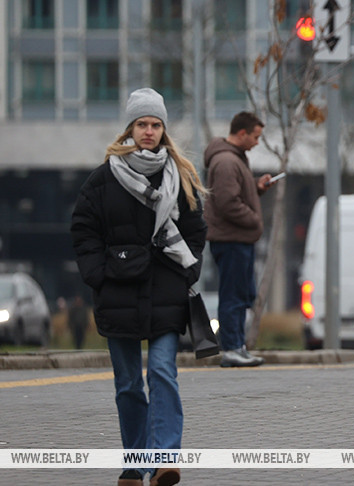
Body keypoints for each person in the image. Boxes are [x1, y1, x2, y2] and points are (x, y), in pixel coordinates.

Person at [71, 88, 207, 486]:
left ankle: (165, 459)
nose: (149, 131)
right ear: (130, 128)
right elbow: (83, 232)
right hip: (118, 292)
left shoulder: (180, 178)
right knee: (128, 383)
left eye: (156, 125)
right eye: (142, 124)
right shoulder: (103, 179)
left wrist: (187, 271)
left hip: (166, 290)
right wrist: (98, 274)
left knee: (163, 371)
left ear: (163, 130)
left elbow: (197, 230)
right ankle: (135, 462)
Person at [203, 111, 275, 368]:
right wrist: (255, 220)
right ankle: (232, 348)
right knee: (233, 295)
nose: (257, 142)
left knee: (242, 294)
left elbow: (233, 194)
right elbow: (227, 203)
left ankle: (238, 346)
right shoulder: (226, 162)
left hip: (237, 239)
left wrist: (255, 187)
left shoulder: (234, 159)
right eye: (255, 137)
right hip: (231, 239)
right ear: (242, 133)